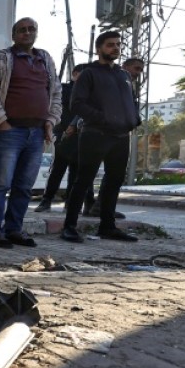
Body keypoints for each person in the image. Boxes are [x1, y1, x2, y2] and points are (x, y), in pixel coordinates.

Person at [0, 17, 62, 248]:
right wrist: (2, 122)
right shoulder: (2, 59)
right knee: (1, 184)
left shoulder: (45, 59)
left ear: (37, 33)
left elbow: (55, 94)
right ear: (14, 35)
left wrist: (50, 122)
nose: (27, 33)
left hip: (36, 134)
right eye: (22, 30)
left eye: (31, 29)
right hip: (10, 132)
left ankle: (14, 229)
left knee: (24, 187)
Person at [61, 31, 141, 243]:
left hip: (121, 136)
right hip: (95, 134)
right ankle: (69, 227)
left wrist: (134, 118)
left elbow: (131, 101)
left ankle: (107, 226)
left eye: (117, 44)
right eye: (110, 45)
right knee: (84, 180)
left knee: (114, 181)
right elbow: (77, 104)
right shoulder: (89, 73)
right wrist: (102, 118)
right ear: (99, 49)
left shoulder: (123, 75)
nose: (115, 48)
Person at [34, 64, 95, 212]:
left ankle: (71, 203)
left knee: (77, 171)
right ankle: (46, 200)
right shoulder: (65, 89)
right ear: (75, 74)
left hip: (84, 136)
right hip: (65, 134)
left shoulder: (90, 92)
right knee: (58, 169)